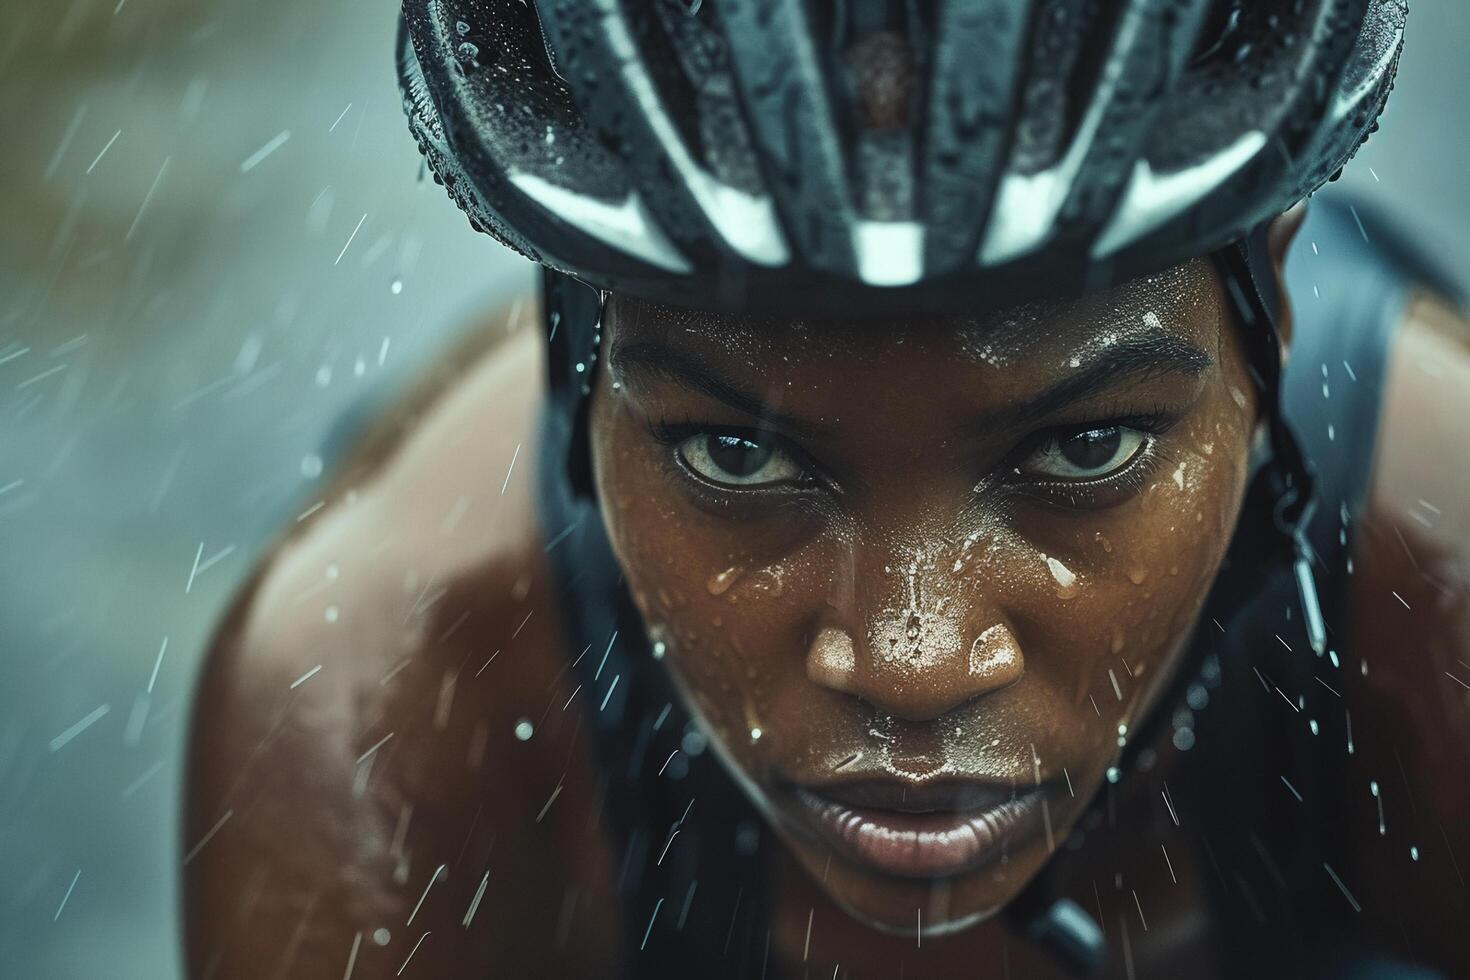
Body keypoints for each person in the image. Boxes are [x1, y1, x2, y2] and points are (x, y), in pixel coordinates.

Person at [183, 1, 1470, 976]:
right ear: (584, 346)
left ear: (1275, 300)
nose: (914, 661)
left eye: (1087, 452)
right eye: (734, 458)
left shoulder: (1442, 579)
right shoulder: (390, 695)